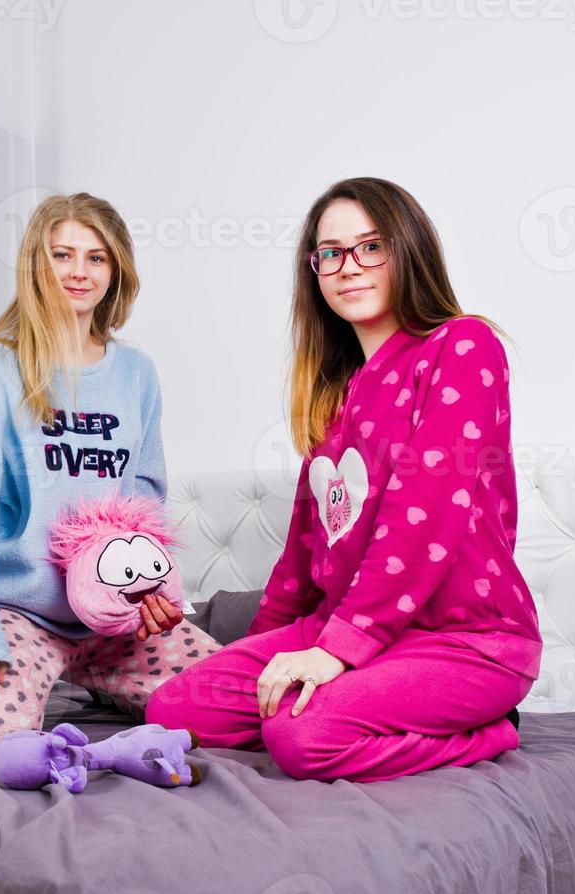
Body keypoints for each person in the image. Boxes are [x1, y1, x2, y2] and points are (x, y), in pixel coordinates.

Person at [146, 177, 542, 783]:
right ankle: (360, 689)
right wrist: (270, 649)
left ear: (408, 250)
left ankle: (489, 731)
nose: (348, 267)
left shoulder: (464, 345)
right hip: (350, 630)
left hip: (465, 639)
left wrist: (336, 652)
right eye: (330, 253)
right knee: (175, 708)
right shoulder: (339, 396)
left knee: (301, 735)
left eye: (370, 246)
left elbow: (426, 514)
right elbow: (305, 553)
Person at [0, 192, 221, 758]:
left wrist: (152, 592)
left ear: (116, 271)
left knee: (229, 703)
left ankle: (113, 687)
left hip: (119, 619)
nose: (79, 272)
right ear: (38, 265)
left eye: (96, 258)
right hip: (25, 611)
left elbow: (145, 496)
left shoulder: (136, 372)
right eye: (63, 255)